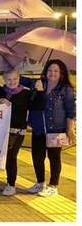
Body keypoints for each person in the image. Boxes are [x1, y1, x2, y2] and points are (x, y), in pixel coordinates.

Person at [0, 69, 45, 195]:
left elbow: (38, 105)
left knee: (10, 156)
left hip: (17, 130)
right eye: (9, 79)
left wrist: (40, 91)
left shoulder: (26, 93)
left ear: (19, 79)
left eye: (15, 79)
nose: (12, 82)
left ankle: (11, 184)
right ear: (4, 79)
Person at [27, 59, 76, 197]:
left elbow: (71, 111)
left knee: (54, 158)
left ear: (61, 74)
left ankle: (53, 186)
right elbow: (19, 79)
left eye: (56, 71)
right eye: (49, 70)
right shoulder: (38, 83)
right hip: (38, 128)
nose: (52, 73)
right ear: (45, 71)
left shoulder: (66, 89)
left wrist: (70, 129)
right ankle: (40, 183)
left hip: (56, 129)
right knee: (37, 156)